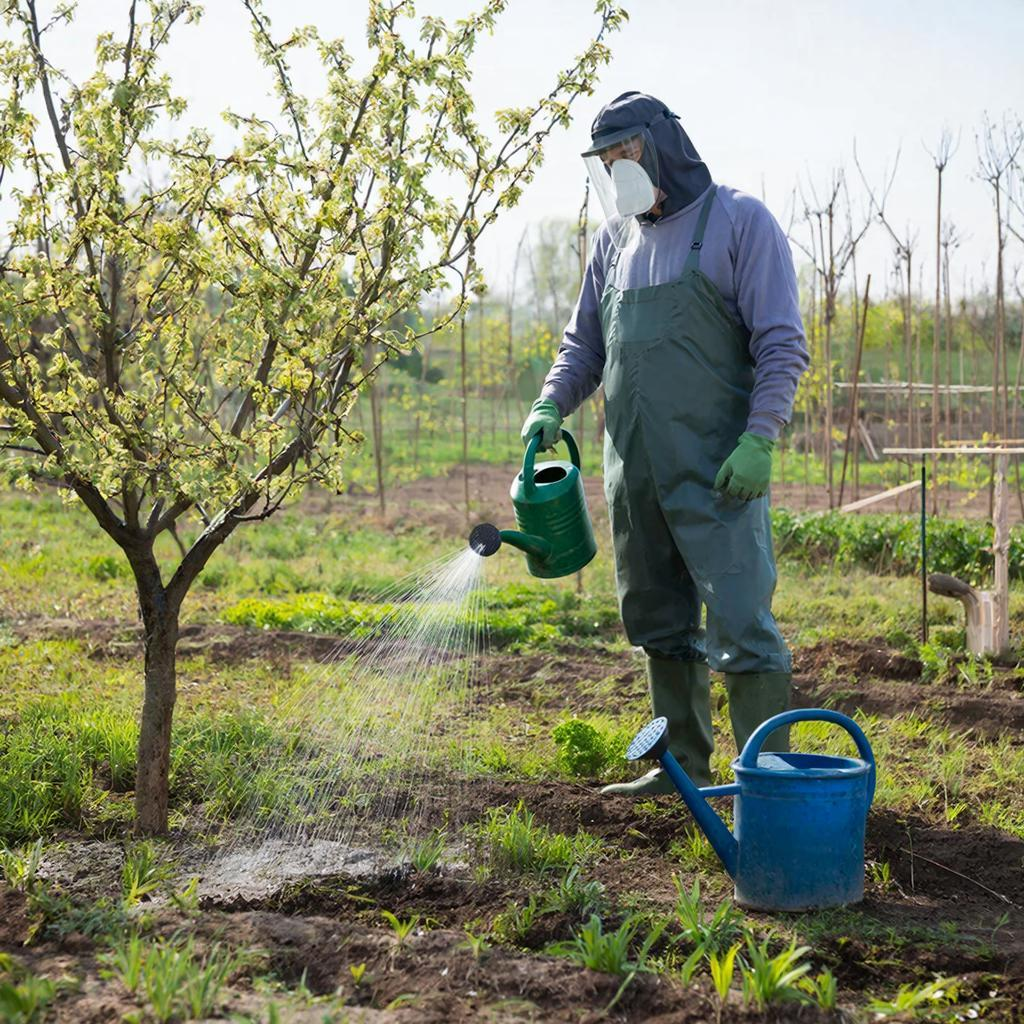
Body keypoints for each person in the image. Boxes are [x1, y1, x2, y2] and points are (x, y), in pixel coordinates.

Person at [521, 91, 809, 796]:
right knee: (658, 619)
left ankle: (767, 782)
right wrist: (550, 401)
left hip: (719, 472)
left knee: (742, 622)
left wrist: (760, 438)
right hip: (637, 473)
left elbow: (781, 343)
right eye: (606, 158)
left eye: (625, 152)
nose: (616, 167)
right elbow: (583, 346)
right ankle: (681, 770)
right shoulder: (614, 242)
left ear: (660, 146)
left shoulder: (739, 222)